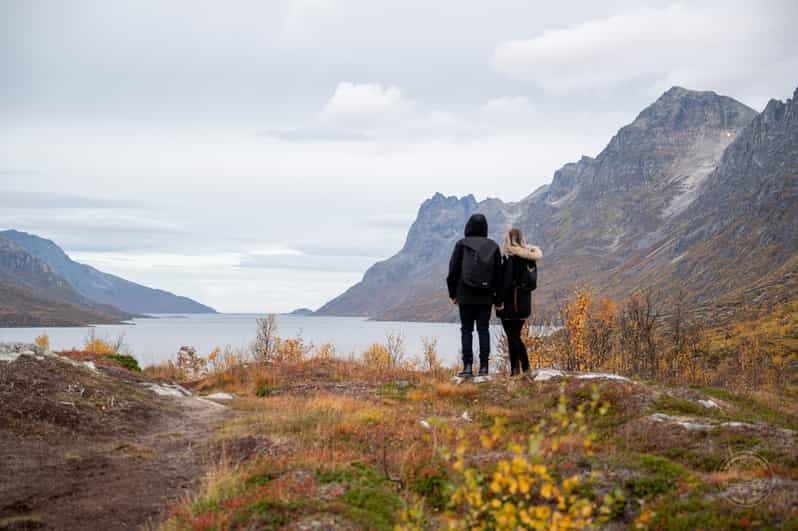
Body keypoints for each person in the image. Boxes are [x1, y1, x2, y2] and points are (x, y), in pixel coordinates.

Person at [446, 213, 503, 377]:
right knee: (483, 330)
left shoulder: (461, 245)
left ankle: (468, 367)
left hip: (465, 295)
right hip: (485, 296)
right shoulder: (493, 246)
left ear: (468, 226)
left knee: (466, 330)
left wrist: (452, 294)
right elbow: (498, 276)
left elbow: (453, 271)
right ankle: (484, 367)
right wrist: (497, 299)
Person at [496, 228, 542, 376]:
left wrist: (498, 301)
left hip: (510, 304)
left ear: (508, 239)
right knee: (514, 335)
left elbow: (507, 282)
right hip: (523, 304)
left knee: (513, 336)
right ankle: (514, 370)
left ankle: (525, 366)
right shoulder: (530, 258)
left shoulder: (511, 257)